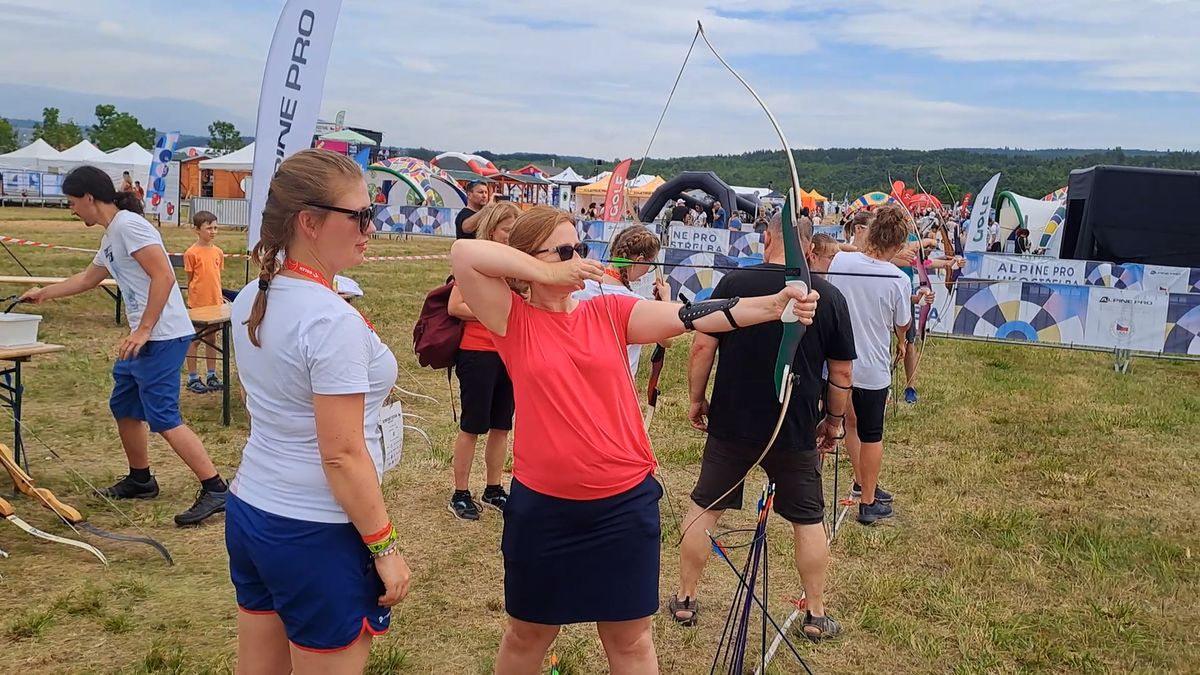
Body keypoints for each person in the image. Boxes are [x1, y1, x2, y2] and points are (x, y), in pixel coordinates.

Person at [450, 205, 819, 674]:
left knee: (631, 640)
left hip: (622, 505)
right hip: (544, 508)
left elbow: (691, 316)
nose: (579, 258)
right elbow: (464, 253)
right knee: (528, 635)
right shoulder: (511, 319)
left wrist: (772, 306)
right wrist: (546, 269)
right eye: (566, 250)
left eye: (581, 247)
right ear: (531, 261)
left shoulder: (608, 309)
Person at [226, 149, 410, 672]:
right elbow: (342, 455)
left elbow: (259, 401)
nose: (372, 227)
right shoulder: (330, 320)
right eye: (360, 216)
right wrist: (385, 547)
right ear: (309, 221)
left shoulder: (253, 297)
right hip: (316, 530)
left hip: (253, 510)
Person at [673, 213, 854, 641]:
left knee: (705, 506)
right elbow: (842, 374)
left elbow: (702, 345)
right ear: (808, 248)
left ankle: (685, 599)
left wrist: (697, 400)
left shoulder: (735, 284)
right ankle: (816, 612)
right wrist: (834, 422)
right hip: (793, 426)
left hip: (735, 420)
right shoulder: (826, 294)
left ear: (767, 237)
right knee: (808, 519)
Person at [21, 165, 227, 526]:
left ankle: (215, 488)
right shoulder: (112, 233)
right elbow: (90, 277)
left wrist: (144, 330)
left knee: (163, 416)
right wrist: (44, 293)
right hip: (145, 338)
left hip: (162, 335)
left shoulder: (130, 226)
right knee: (125, 406)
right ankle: (141, 479)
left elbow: (163, 275)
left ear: (89, 198)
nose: (71, 209)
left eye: (72, 202)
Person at [826, 204, 912, 525]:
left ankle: (864, 483)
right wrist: (902, 342)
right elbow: (901, 323)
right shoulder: (898, 279)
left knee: (851, 425)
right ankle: (868, 502)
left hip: (840, 363)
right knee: (872, 432)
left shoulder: (842, 260)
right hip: (872, 368)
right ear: (897, 246)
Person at [446, 202, 520, 521]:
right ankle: (460, 492)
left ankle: (494, 487)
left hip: (509, 353)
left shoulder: (515, 264)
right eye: (507, 230)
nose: (511, 236)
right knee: (473, 425)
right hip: (477, 352)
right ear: (492, 231)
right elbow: (455, 306)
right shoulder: (474, 262)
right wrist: (491, 312)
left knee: (502, 425)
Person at [573, 225, 673, 377]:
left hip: (576, 379)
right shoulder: (637, 303)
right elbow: (666, 340)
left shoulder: (579, 287)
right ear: (639, 261)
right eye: (650, 265)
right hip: (618, 386)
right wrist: (665, 300)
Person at [183, 211, 225, 394]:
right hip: (198, 304)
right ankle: (192, 377)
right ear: (197, 230)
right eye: (209, 228)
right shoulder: (191, 253)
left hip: (215, 304)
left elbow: (217, 276)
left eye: (215, 228)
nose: (213, 231)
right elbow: (191, 278)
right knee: (194, 340)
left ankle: (211, 374)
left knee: (212, 339)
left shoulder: (218, 252)